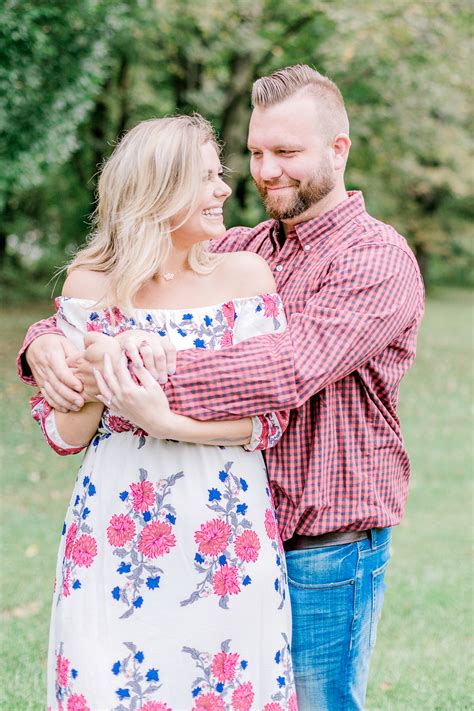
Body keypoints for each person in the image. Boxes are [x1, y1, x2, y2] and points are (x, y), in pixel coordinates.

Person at [19, 65, 425, 711]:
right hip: (237, 521)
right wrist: (48, 340)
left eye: (287, 152)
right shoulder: (244, 248)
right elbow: (143, 283)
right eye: (258, 152)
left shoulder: (375, 259)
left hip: (326, 543)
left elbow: (285, 369)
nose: (265, 172)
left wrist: (130, 369)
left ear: (338, 148)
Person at [25, 115, 299, 710]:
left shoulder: (245, 279)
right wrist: (107, 369)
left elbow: (269, 423)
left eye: (220, 174)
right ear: (160, 189)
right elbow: (64, 432)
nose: (225, 189)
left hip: (224, 527)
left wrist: (161, 415)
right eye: (206, 177)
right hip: (115, 531)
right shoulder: (90, 284)